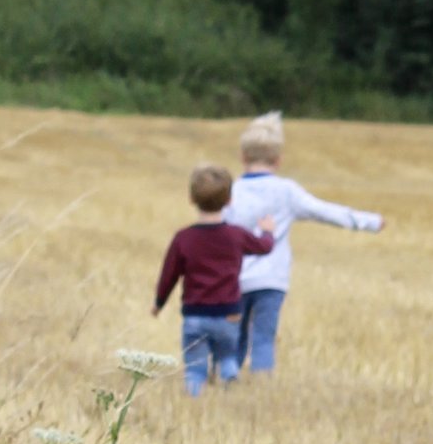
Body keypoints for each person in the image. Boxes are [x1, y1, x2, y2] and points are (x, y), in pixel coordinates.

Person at [225, 113, 382, 373]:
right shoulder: (286, 191)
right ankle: (262, 389)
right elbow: (325, 211)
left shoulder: (232, 191)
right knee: (263, 338)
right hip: (271, 281)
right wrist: (370, 222)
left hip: (235, 280)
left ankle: (227, 383)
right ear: (278, 160)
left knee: (235, 339)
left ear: (242, 157)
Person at [153, 164, 279, 394]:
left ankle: (194, 398)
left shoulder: (184, 238)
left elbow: (169, 275)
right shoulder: (236, 235)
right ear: (229, 200)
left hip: (195, 314)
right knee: (227, 358)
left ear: (191, 198)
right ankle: (230, 388)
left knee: (194, 368)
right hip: (228, 314)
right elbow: (264, 247)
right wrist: (268, 231)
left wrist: (159, 303)